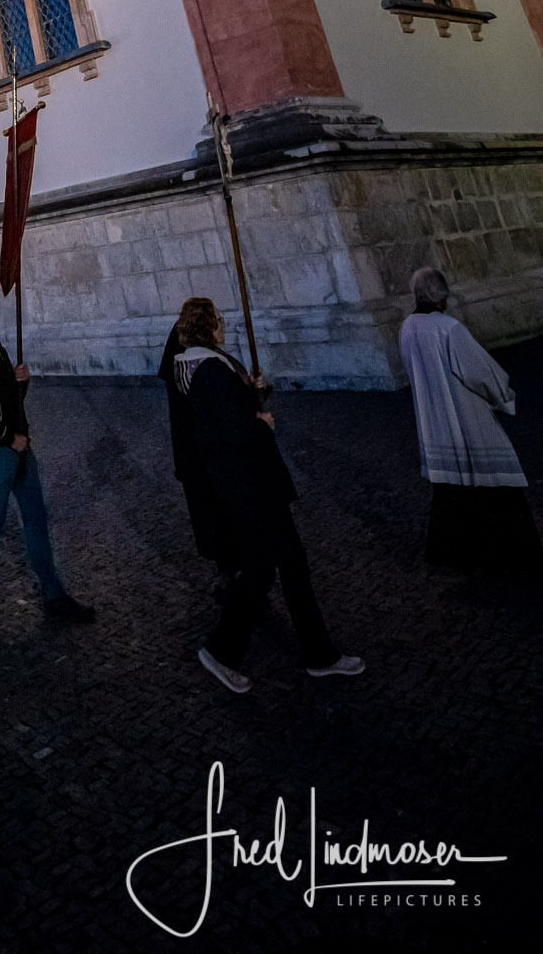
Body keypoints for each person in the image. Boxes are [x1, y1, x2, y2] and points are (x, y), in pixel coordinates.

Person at [169, 296, 363, 693]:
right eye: (219, 320)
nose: (224, 325)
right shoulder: (211, 371)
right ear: (208, 326)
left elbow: (226, 413)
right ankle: (232, 651)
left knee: (282, 568)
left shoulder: (199, 367)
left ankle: (315, 654)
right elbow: (236, 433)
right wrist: (263, 423)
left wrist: (255, 391)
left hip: (245, 487)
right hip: (252, 485)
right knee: (275, 571)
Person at [0, 293, 94, 630]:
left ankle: (54, 594)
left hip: (19, 445)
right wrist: (7, 436)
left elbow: (11, 401)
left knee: (35, 517)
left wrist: (22, 381)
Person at [400, 267, 543, 576]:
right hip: (466, 416)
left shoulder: (408, 327)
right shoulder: (448, 329)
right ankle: (511, 552)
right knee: (494, 480)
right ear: (441, 296)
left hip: (433, 419)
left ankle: (455, 549)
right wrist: (502, 394)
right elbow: (479, 372)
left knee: (451, 486)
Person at [157, 323, 239, 596]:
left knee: (215, 516)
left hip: (198, 458)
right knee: (220, 515)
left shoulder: (195, 364)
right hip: (211, 458)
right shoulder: (201, 367)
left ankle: (230, 573)